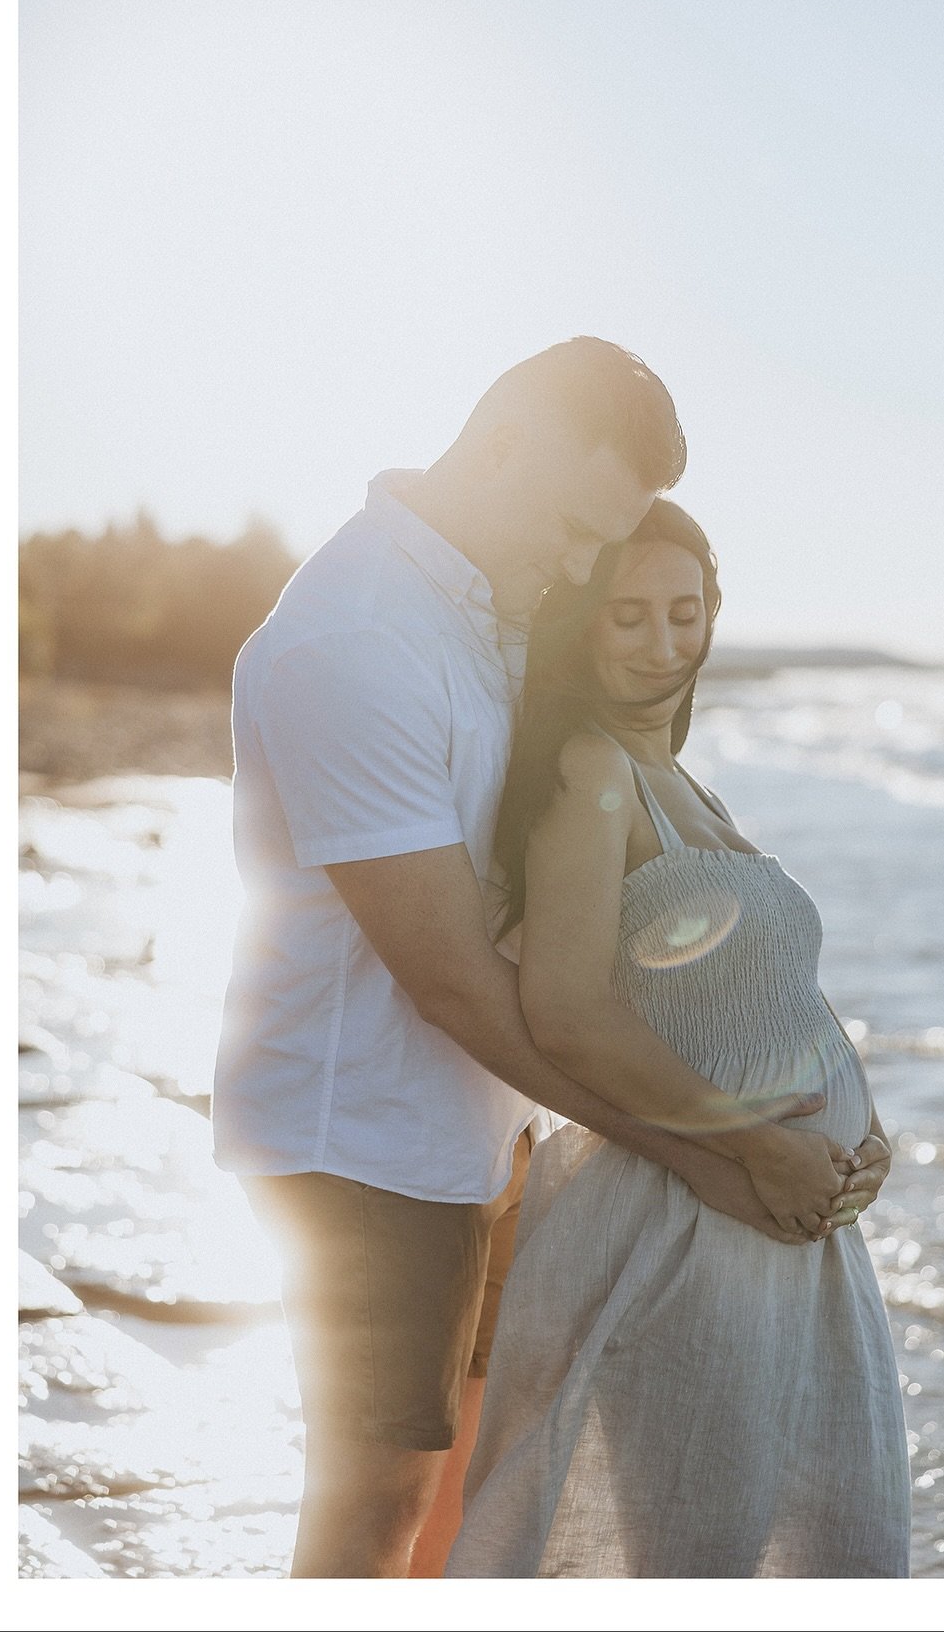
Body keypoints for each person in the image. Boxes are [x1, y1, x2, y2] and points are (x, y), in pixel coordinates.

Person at [211, 338, 860, 1579]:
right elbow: (448, 974)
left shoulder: (483, 605)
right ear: (500, 441)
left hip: (493, 1124)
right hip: (364, 1139)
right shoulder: (355, 639)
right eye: (570, 530)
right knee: (374, 1502)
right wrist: (710, 1154)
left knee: (489, 1477)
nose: (577, 568)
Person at [444, 499, 911, 1578]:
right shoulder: (590, 772)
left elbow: (760, 993)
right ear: (582, 628)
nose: (662, 646)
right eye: (628, 619)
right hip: (684, 1221)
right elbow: (567, 1009)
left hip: (777, 1220)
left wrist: (866, 1122)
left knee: (791, 1533)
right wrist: (754, 1143)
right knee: (687, 1551)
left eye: (684, 613)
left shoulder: (686, 784)